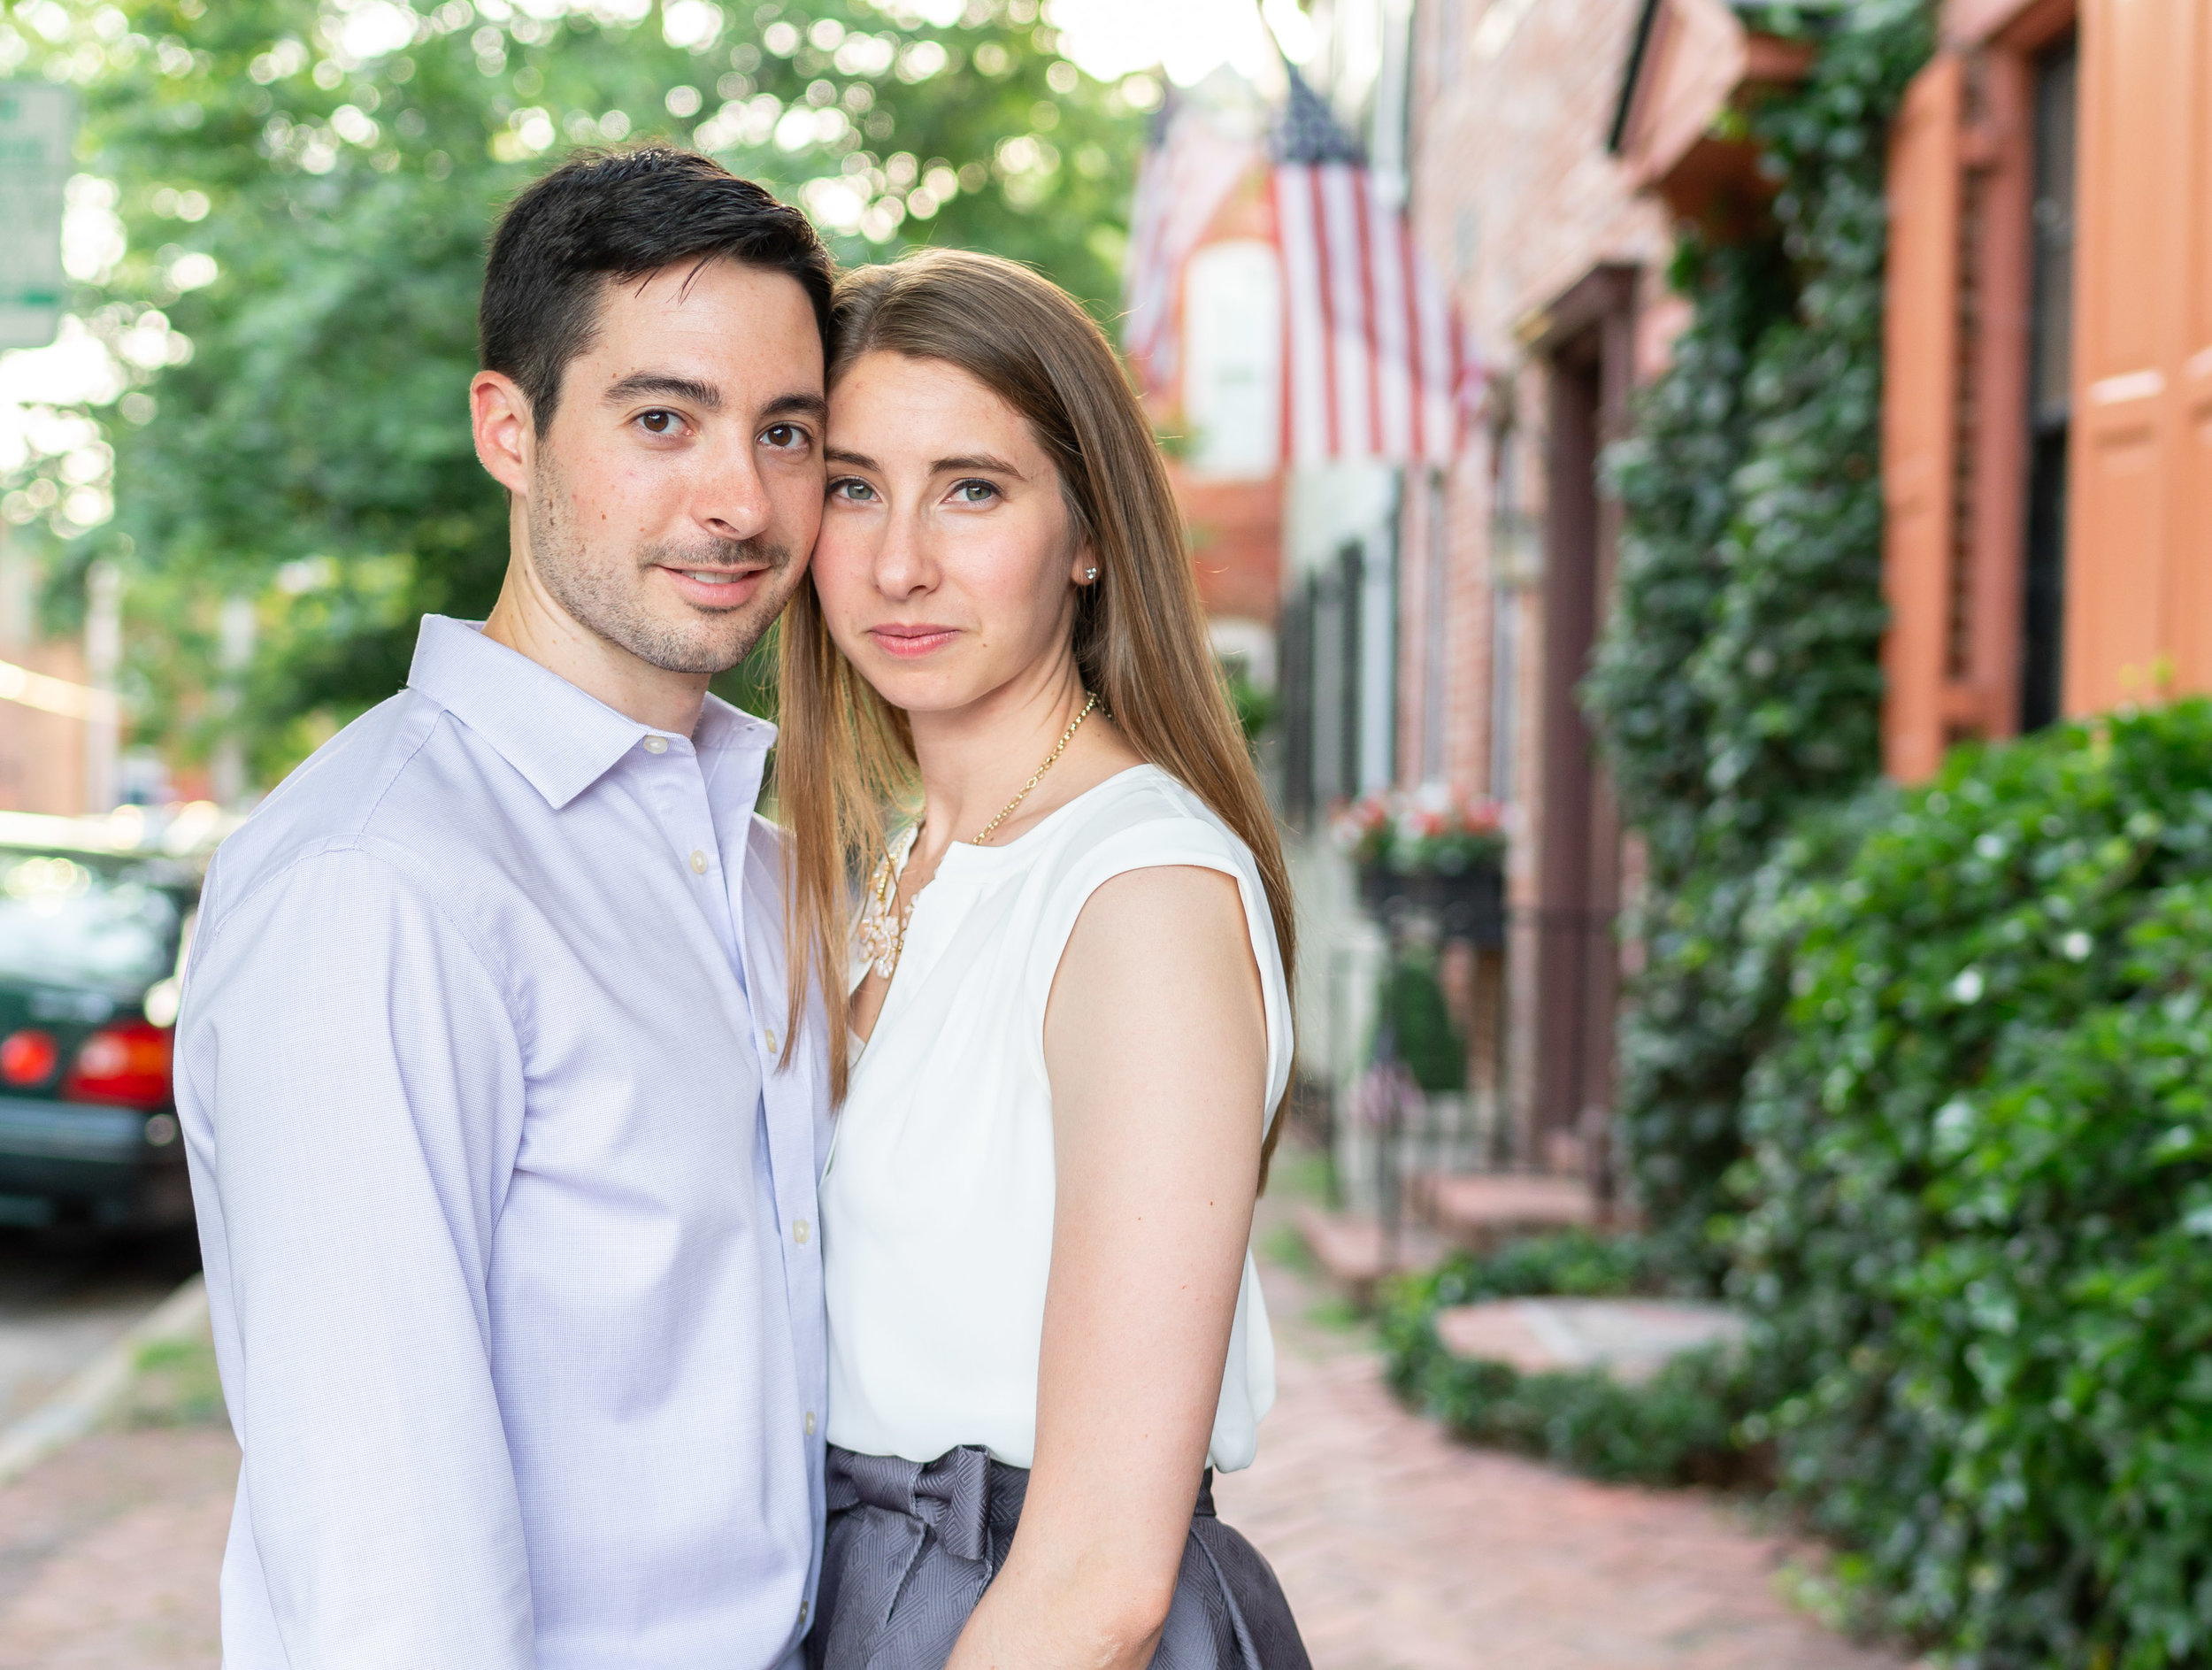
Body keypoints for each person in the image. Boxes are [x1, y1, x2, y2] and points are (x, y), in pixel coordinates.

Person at [174, 149, 837, 1668]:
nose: (739, 500)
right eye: (662, 419)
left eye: (786, 432)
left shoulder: (759, 860)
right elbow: (383, 1569)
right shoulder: (382, 884)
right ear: (510, 430)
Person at [781, 250, 1311, 1670]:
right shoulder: (897, 862)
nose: (901, 560)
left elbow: (1100, 1577)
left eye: (973, 488)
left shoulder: (1137, 894)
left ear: (1087, 533)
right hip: (855, 1598)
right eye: (851, 486)